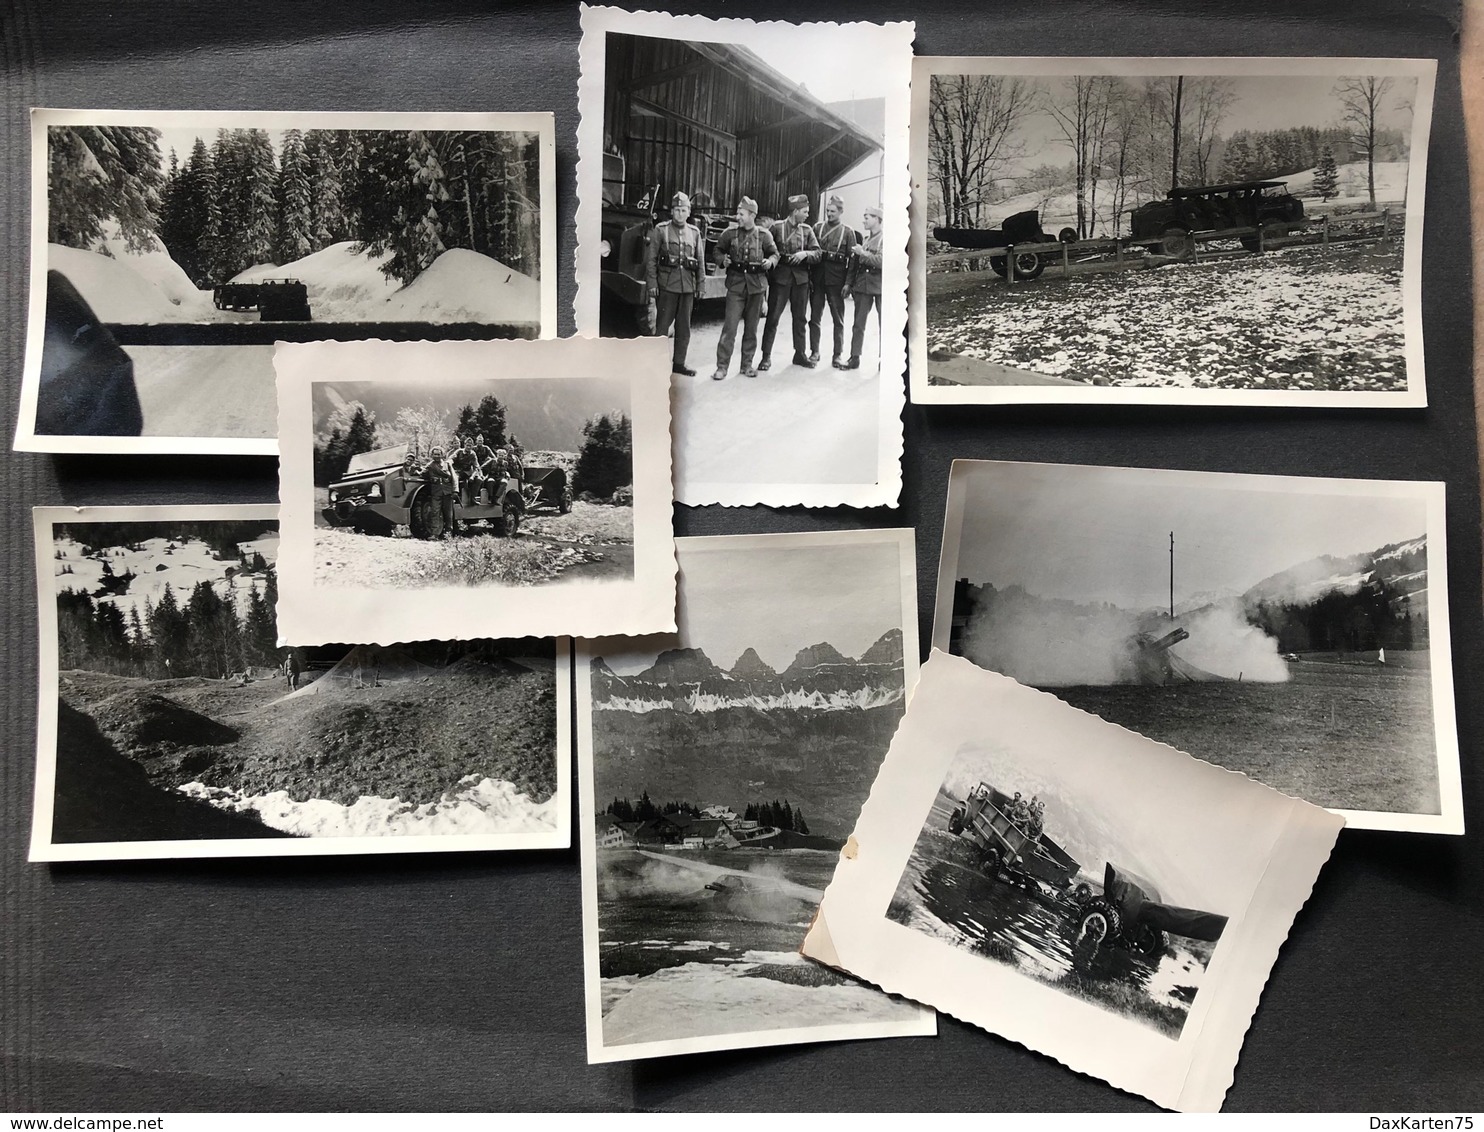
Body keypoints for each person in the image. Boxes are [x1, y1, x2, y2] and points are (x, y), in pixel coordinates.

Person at [711, 196, 779, 381]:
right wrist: (721, 260)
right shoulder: (729, 234)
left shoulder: (764, 235)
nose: (738, 217)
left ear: (752, 215)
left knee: (751, 329)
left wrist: (769, 261)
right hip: (736, 285)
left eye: (741, 214)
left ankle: (747, 365)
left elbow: (775, 254)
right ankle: (722, 367)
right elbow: (717, 250)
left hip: (756, 287)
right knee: (730, 328)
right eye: (738, 213)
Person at [645, 190, 704, 376]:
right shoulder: (660, 230)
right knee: (662, 327)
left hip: (687, 287)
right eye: (677, 210)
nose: (680, 213)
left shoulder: (694, 233)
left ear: (689, 212)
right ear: (672, 211)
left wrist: (700, 285)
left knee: (684, 328)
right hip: (667, 285)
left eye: (683, 210)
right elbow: (651, 259)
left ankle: (679, 363)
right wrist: (652, 284)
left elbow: (700, 262)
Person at [759, 193, 820, 371]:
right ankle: (766, 356)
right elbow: (766, 251)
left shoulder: (807, 230)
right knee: (773, 318)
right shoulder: (776, 228)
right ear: (795, 211)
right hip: (780, 278)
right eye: (804, 211)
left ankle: (800, 354)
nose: (807, 215)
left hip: (801, 280)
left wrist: (805, 254)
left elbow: (817, 253)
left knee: (800, 318)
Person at [809, 195, 858, 369]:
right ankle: (814, 352)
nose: (829, 214)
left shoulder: (848, 232)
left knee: (838, 320)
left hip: (837, 280)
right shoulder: (817, 228)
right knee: (815, 317)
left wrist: (848, 283)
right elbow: (810, 252)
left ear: (841, 212)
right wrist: (809, 278)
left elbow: (853, 260)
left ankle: (837, 355)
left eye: (833, 211)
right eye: (827, 211)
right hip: (818, 279)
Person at [844, 204, 885, 370]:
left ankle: (885, 359)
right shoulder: (866, 240)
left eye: (867, 218)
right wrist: (849, 284)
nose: (864, 221)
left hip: (881, 286)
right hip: (863, 286)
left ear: (877, 219)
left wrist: (863, 253)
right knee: (858, 324)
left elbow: (882, 261)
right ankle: (854, 357)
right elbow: (854, 265)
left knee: (885, 325)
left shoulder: (884, 239)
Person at [419, 444, 458, 537]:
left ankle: (448, 533)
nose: (437, 456)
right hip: (436, 492)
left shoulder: (447, 464)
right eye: (435, 454)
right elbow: (422, 474)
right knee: (435, 512)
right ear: (432, 455)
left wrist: (455, 490)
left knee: (448, 513)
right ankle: (434, 534)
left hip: (447, 492)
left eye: (438, 454)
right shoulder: (430, 466)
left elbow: (454, 477)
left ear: (442, 454)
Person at [450, 434, 480, 506]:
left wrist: (473, 476)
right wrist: (450, 462)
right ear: (464, 445)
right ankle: (455, 495)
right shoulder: (459, 452)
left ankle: (473, 498)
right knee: (455, 478)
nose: (468, 447)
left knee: (479, 480)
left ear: (472, 446)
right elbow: (451, 458)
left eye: (470, 445)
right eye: (467, 445)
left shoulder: (473, 454)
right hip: (458, 471)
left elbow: (476, 467)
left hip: (468, 472)